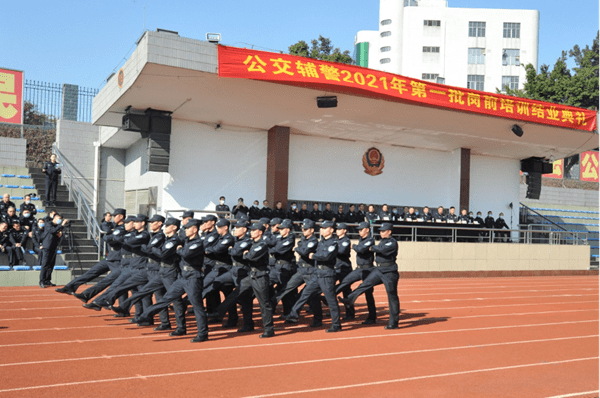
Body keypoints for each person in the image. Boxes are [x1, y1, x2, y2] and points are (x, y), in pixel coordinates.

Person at [137, 219, 209, 343]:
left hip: (193, 277)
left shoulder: (198, 243)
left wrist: (179, 249)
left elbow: (185, 253)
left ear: (195, 229)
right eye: (184, 228)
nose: (185, 230)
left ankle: (203, 333)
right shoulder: (185, 240)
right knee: (167, 298)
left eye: (187, 228)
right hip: (182, 277)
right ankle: (146, 315)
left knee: (197, 306)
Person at [339, 222, 400, 330]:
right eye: (380, 231)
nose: (381, 233)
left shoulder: (392, 242)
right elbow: (376, 248)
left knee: (392, 296)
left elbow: (381, 250)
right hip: (379, 269)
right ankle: (350, 299)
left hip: (390, 272)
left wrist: (374, 248)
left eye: (383, 231)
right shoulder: (382, 241)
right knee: (365, 284)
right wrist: (374, 247)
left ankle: (393, 322)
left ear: (389, 232)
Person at [284, 220, 342, 332]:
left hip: (327, 275)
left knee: (331, 301)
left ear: (331, 230)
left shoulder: (333, 243)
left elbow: (326, 256)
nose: (322, 230)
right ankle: (293, 314)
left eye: (325, 228)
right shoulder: (321, 242)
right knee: (305, 294)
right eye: (321, 228)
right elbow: (307, 251)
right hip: (317, 274)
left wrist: (314, 255)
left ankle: (336, 324)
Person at [56, 209, 126, 296]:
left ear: (121, 216)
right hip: (110, 257)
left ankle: (123, 305)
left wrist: (106, 234)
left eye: (115, 216)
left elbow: (108, 238)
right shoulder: (113, 226)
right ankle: (70, 287)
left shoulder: (123, 228)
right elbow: (105, 230)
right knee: (91, 273)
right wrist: (108, 233)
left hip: (117, 260)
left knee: (118, 282)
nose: (113, 218)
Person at [336, 221, 377, 324]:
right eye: (358, 230)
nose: (359, 231)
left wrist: (353, 246)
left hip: (368, 269)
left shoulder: (370, 240)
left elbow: (362, 249)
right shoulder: (361, 239)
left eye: (361, 229)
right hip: (359, 269)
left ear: (367, 230)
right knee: (345, 281)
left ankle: (372, 317)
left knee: (368, 294)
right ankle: (330, 297)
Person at [244, 222, 275, 338]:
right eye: (250, 230)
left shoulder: (262, 245)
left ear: (260, 232)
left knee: (264, 303)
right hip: (252, 274)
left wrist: (246, 254)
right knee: (241, 296)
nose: (251, 232)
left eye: (253, 230)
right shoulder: (253, 243)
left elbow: (251, 256)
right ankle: (247, 323)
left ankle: (269, 329)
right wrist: (247, 254)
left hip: (260, 276)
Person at [39, 213, 68, 288]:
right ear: (54, 218)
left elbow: (57, 234)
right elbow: (52, 231)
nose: (59, 220)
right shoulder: (48, 224)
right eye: (58, 218)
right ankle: (42, 280)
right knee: (45, 264)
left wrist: (60, 235)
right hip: (47, 246)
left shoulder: (57, 226)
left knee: (51, 265)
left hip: (54, 247)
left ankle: (47, 280)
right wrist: (62, 225)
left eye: (61, 219)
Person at [334, 222, 354, 319]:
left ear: (344, 230)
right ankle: (334, 310)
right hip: (336, 268)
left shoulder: (346, 240)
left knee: (346, 291)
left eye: (339, 229)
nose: (337, 231)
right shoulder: (335, 240)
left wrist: (330, 250)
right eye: (337, 229)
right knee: (330, 289)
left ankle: (350, 313)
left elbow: (341, 251)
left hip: (344, 268)